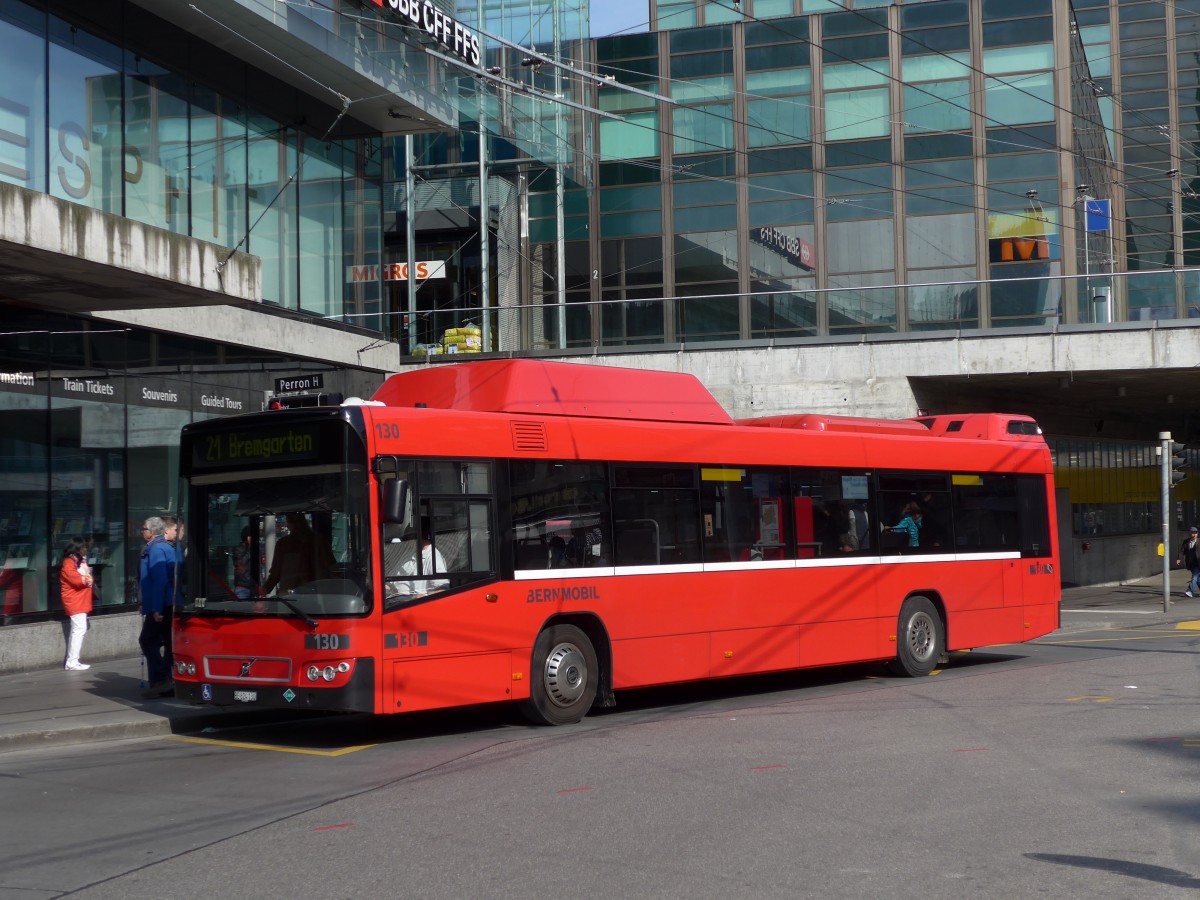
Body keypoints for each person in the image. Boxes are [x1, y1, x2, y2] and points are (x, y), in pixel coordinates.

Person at [138, 517, 175, 698]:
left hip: (162, 605)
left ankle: (162, 678)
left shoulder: (157, 549)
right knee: (166, 643)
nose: (141, 531)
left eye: (143, 528)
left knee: (147, 640)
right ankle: (163, 681)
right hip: (161, 604)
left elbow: (159, 580)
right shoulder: (158, 547)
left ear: (152, 531)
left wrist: (156, 608)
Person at [262, 513, 334, 594]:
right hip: (315, 594)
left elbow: (275, 574)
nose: (286, 525)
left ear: (292, 524)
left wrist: (264, 590)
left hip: (290, 594)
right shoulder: (320, 541)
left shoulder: (284, 544)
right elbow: (331, 567)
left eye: (288, 522)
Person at [384, 516, 449, 599]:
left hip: (413, 603)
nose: (406, 541)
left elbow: (443, 589)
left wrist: (423, 597)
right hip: (395, 599)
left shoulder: (433, 557)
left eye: (409, 537)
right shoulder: (409, 553)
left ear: (420, 536)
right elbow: (392, 582)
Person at [60, 535, 94, 671]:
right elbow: (77, 580)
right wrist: (88, 579)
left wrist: (87, 578)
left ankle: (74, 660)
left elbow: (86, 577)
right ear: (78, 548)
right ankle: (72, 661)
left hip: (80, 598)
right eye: (84, 547)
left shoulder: (79, 560)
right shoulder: (69, 562)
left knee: (79, 629)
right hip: (74, 599)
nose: (86, 549)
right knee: (79, 629)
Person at [232, 526, 256, 599]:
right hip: (242, 586)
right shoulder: (238, 549)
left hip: (254, 586)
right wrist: (249, 548)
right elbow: (241, 562)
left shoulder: (255, 548)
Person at [1176, 525, 1200, 598]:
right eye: (1192, 533)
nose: (1194, 535)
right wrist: (1179, 558)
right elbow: (1182, 551)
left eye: (1195, 533)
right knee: (1198, 579)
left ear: (1197, 534)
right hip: (1191, 563)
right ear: (1189, 533)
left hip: (1199, 563)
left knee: (1195, 577)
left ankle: (1189, 591)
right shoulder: (1186, 542)